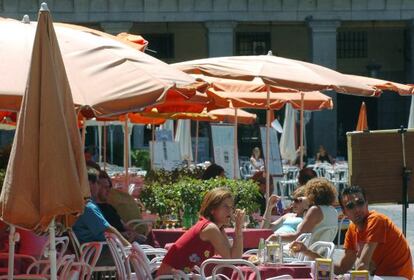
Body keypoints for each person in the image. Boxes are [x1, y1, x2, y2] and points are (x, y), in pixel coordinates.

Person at [290, 185, 413, 280]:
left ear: (366, 203)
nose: (357, 209)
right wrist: (307, 252)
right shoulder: (353, 228)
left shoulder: (376, 220)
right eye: (350, 206)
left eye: (360, 203)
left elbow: (362, 266)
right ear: (344, 212)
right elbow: (342, 268)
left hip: (397, 278)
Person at [156, 188, 245, 275]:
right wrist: (238, 229)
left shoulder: (218, 229)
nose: (230, 211)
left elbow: (235, 259)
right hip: (169, 277)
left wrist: (238, 229)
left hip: (182, 276)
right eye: (225, 206)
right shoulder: (211, 228)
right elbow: (231, 260)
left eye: (231, 207)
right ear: (212, 209)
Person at [72, 168, 130, 264]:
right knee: (138, 258)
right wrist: (128, 246)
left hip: (91, 253)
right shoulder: (87, 208)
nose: (99, 187)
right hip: (97, 255)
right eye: (97, 183)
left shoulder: (80, 205)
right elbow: (108, 230)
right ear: (90, 184)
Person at [267, 178, 338, 243]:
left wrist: (274, 237)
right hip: (319, 250)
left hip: (303, 251)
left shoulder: (315, 210)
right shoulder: (333, 211)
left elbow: (297, 236)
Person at [95, 170, 147, 243]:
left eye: (109, 187)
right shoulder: (95, 209)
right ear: (97, 188)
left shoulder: (110, 207)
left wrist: (132, 233)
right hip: (116, 244)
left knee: (145, 240)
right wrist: (123, 235)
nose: (108, 190)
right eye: (105, 187)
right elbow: (104, 231)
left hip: (125, 240)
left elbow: (124, 225)